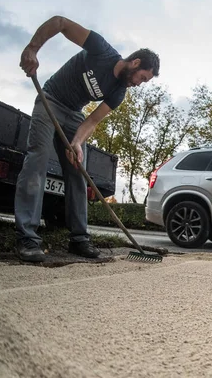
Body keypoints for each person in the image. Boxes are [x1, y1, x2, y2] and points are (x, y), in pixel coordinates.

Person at [15, 16, 160, 262]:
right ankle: (27, 238)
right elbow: (60, 23)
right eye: (142, 78)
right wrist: (32, 49)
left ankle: (79, 240)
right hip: (50, 99)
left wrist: (76, 142)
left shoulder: (119, 92)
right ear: (135, 62)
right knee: (37, 161)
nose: (139, 84)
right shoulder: (100, 49)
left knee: (78, 169)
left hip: (74, 115)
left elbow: (92, 121)